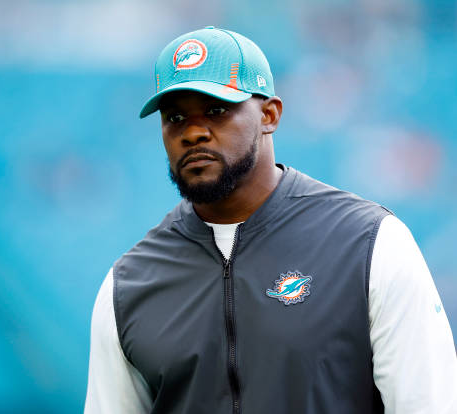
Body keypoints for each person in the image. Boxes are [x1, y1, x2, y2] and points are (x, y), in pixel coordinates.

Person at [84, 27, 457, 414]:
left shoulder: (369, 244)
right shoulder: (128, 285)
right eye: (175, 117)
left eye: (216, 110)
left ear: (269, 114)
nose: (193, 132)